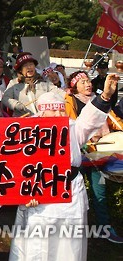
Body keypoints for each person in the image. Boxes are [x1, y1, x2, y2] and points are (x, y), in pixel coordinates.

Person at [9, 73, 120, 260]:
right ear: (42, 113)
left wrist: (105, 96)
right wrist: (25, 192)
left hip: (70, 194)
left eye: (62, 110)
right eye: (54, 111)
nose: (60, 115)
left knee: (69, 246)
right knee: (39, 246)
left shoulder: (72, 128)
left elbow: (90, 119)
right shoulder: (29, 134)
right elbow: (18, 167)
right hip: (40, 197)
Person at [64, 70, 123, 244]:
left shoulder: (98, 101)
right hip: (77, 155)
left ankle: (104, 228)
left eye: (88, 80)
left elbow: (114, 121)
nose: (88, 84)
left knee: (100, 193)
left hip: (98, 154)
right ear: (74, 87)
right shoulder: (69, 102)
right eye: (82, 82)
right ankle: (74, 232)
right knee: (72, 194)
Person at [2, 52, 59, 117]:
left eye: (31, 64)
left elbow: (57, 92)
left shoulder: (43, 82)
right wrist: (16, 105)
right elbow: (5, 98)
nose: (29, 67)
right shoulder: (14, 83)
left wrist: (68, 93)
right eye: (25, 65)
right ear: (20, 70)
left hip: (43, 121)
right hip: (23, 122)